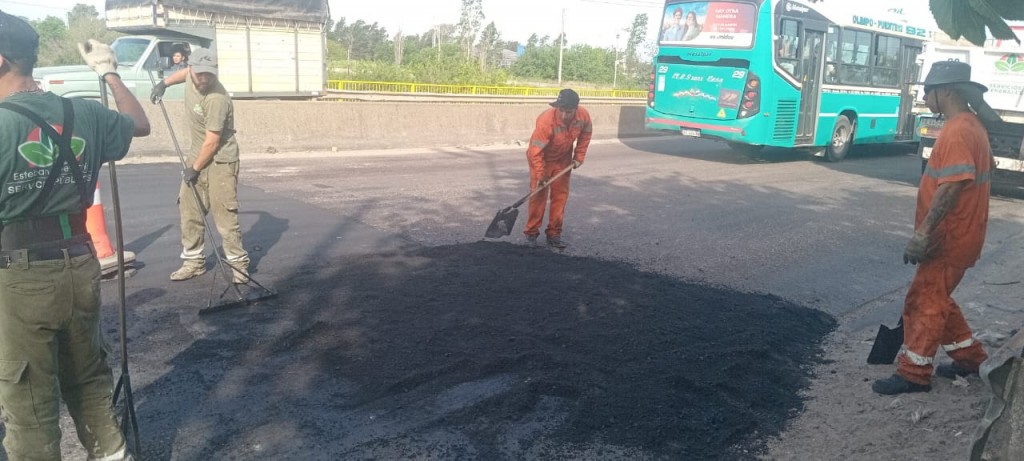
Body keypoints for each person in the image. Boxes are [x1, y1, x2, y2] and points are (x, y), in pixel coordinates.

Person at [0, 11, 150, 460]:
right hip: (80, 265)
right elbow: (138, 124)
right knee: (87, 381)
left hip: (20, 277)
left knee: (28, 399)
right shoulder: (83, 112)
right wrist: (109, 72)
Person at [872, 60, 996, 395]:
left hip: (949, 237)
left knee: (923, 299)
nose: (926, 98)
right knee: (938, 297)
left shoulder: (957, 131)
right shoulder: (972, 126)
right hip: (963, 233)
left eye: (929, 91)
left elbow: (952, 186)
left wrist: (923, 234)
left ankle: (914, 373)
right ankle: (971, 359)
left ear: (946, 91)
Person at [150, 47, 250, 283]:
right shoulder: (189, 74)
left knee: (224, 214)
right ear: (192, 68)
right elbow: (182, 74)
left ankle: (239, 266)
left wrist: (194, 169)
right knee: (190, 208)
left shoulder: (217, 98)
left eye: (210, 74)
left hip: (220, 159)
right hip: (197, 153)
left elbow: (213, 142)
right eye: (200, 73)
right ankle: (194, 262)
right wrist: (163, 84)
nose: (204, 78)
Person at [523, 88, 592, 249]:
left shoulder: (583, 116)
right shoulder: (546, 121)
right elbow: (535, 151)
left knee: (560, 197)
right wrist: (540, 174)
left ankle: (554, 234)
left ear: (576, 109)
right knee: (538, 195)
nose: (563, 115)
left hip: (563, 160)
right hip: (542, 160)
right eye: (561, 110)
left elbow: (586, 135)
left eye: (568, 112)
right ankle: (531, 233)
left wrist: (579, 156)